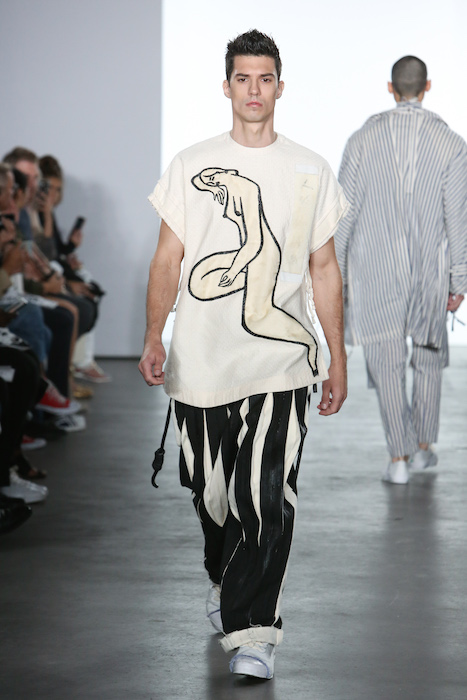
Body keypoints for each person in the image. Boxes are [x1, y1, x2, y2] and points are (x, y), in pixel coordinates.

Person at [139, 30, 348, 680]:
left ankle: (253, 632)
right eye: (242, 78)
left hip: (279, 365)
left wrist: (336, 357)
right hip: (200, 363)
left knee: (265, 496)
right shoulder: (191, 163)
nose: (253, 90)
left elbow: (323, 270)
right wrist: (153, 335)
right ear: (226, 86)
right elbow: (168, 259)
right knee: (211, 497)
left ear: (279, 87)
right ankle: (224, 577)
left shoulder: (310, 169)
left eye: (264, 79)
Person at [335, 56, 467, 485]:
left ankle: (399, 459)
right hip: (429, 271)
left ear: (390, 88)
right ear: (427, 86)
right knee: (428, 357)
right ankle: (424, 449)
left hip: (374, 271)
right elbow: (457, 219)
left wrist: (337, 278)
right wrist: (459, 280)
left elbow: (342, 217)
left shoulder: (362, 140)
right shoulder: (451, 144)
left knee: (386, 359)